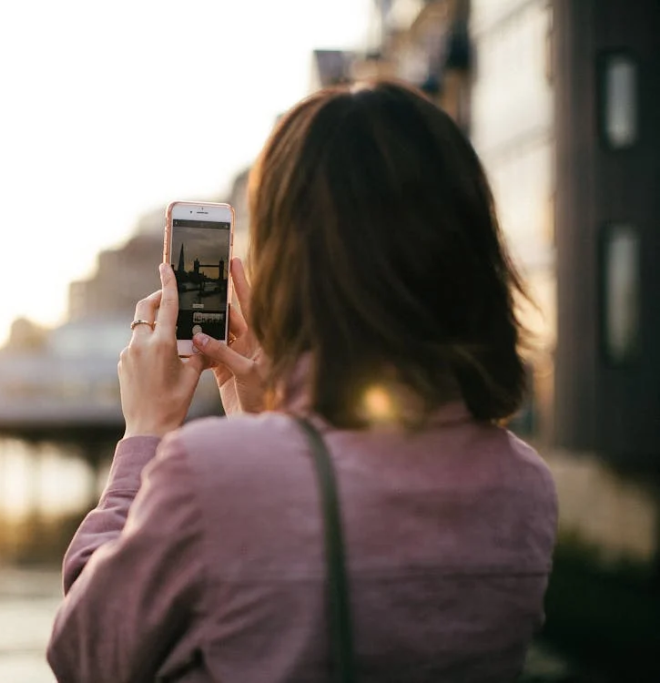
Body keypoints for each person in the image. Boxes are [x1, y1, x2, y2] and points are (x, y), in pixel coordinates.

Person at [46, 81, 558, 682]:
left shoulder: (210, 473)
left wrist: (147, 432)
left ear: (293, 257)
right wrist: (275, 426)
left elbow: (85, 651)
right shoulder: (525, 489)